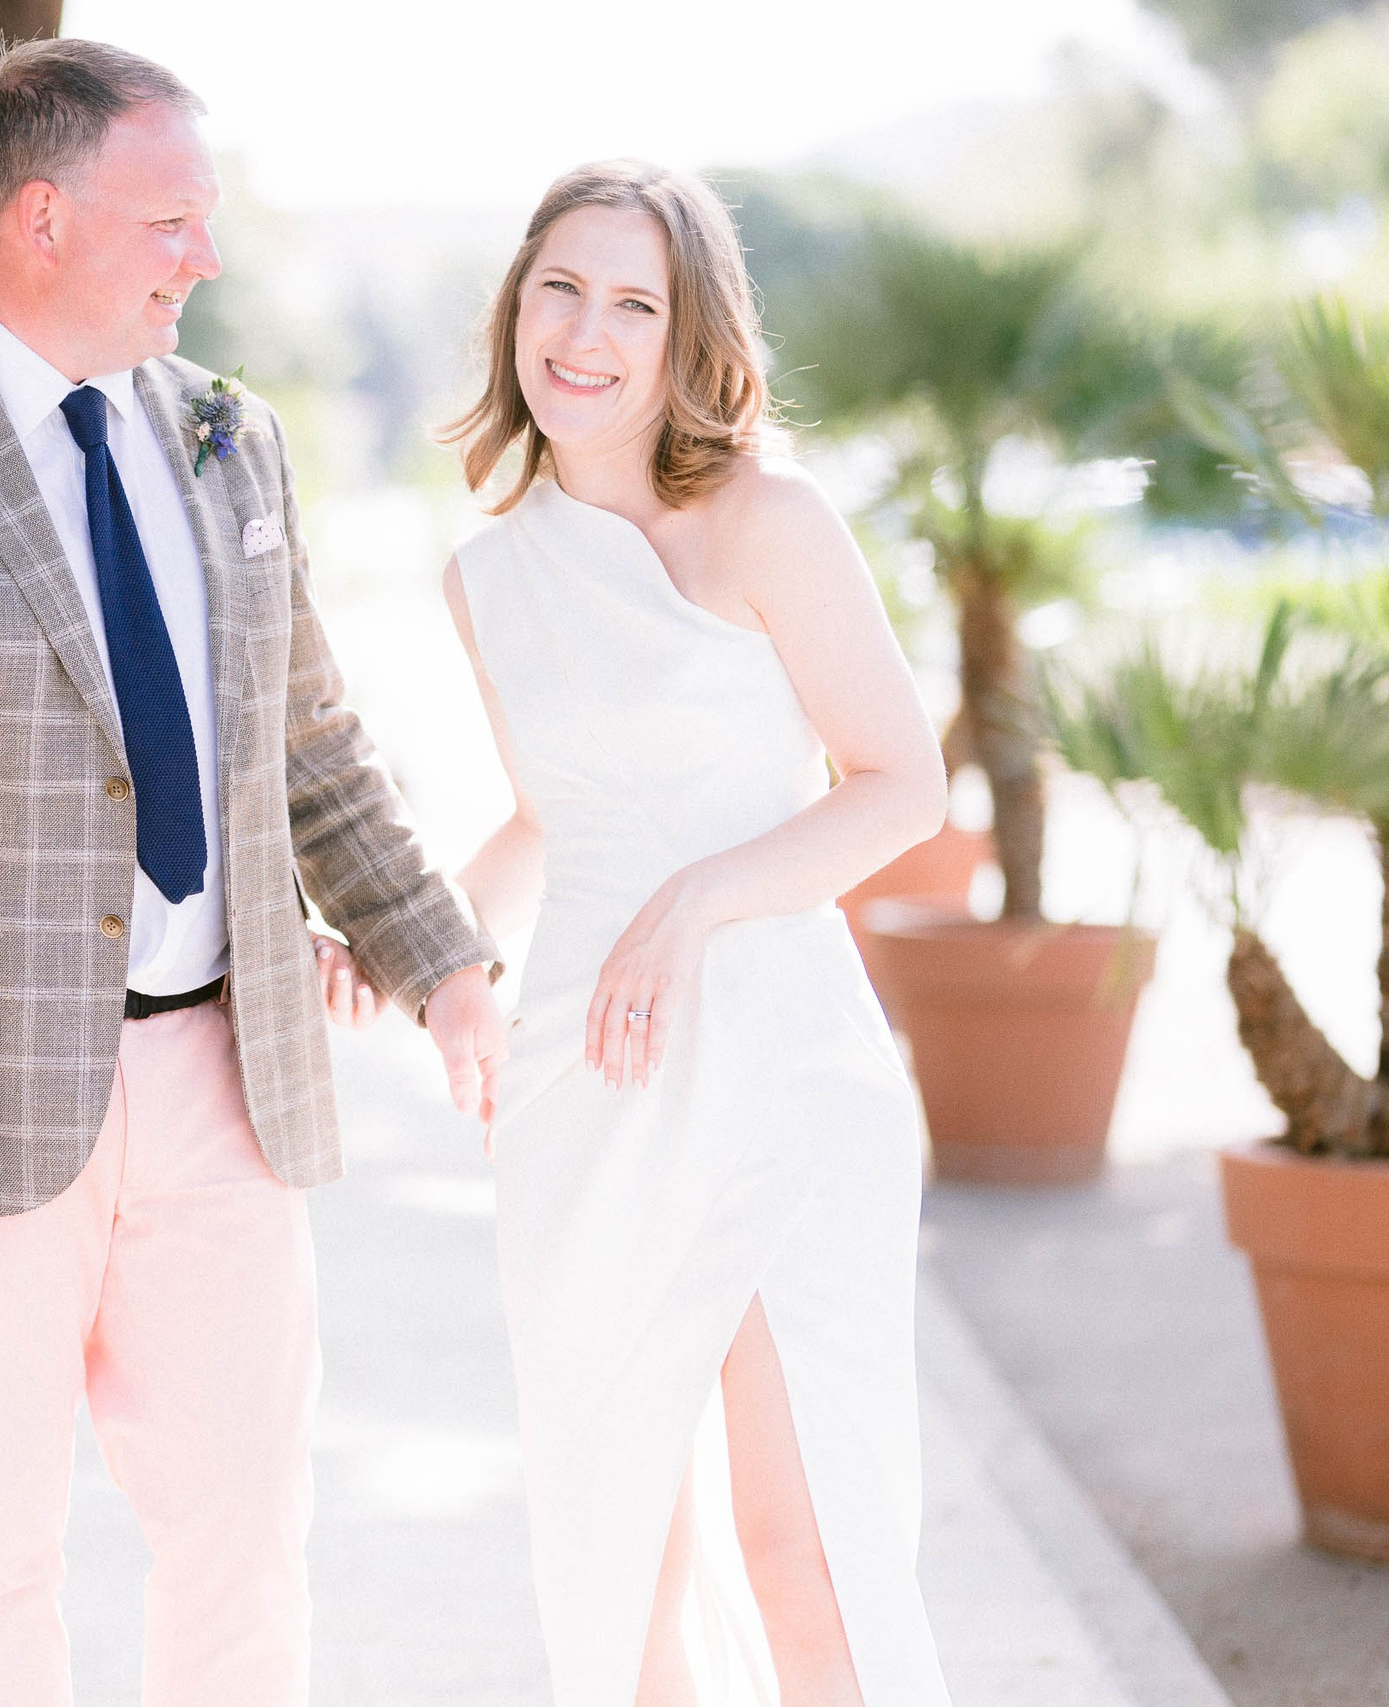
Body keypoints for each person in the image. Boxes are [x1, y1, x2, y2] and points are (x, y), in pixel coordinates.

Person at [0, 37, 505, 1707]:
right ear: (43, 218)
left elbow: (311, 750)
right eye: (172, 223)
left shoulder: (233, 440)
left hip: (227, 1078)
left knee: (242, 1536)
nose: (204, 260)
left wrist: (439, 962)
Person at [439, 161, 956, 1706]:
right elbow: (549, 818)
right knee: (624, 1561)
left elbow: (905, 785)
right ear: (516, 308)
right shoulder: (490, 574)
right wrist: (426, 950)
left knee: (809, 1546)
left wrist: (698, 899)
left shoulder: (768, 525)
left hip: (786, 1072)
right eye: (560, 290)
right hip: (586, 1087)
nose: (585, 335)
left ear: (685, 339)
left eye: (632, 303)